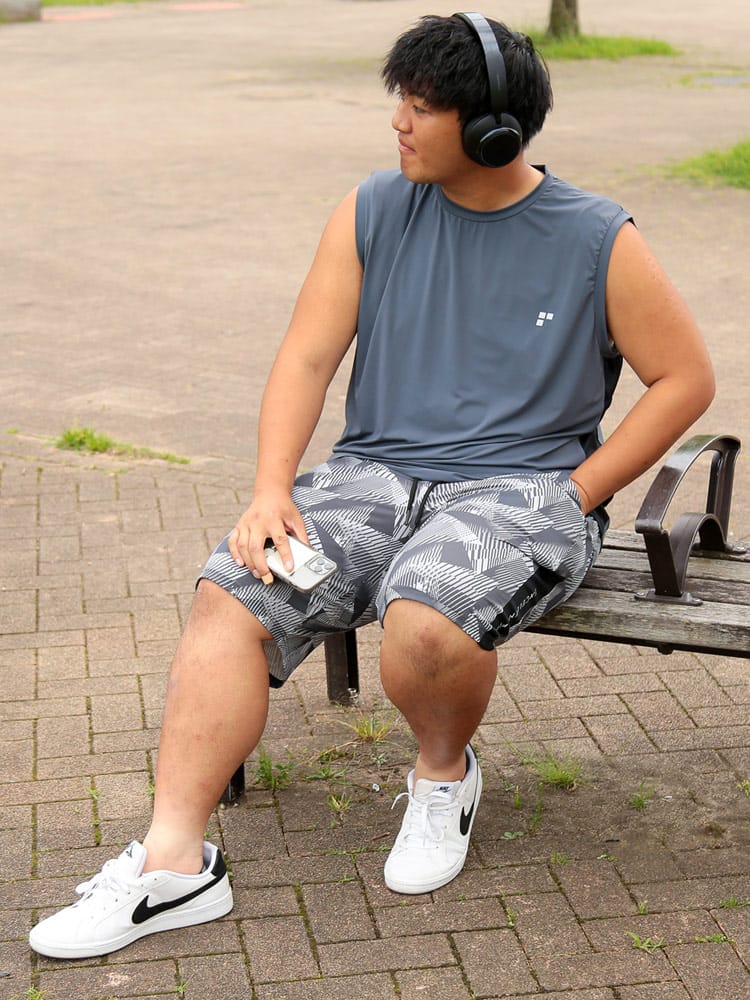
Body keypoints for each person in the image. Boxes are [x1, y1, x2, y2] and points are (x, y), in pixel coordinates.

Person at [29, 12, 714, 959]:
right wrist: (270, 489)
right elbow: (307, 357)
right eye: (401, 101)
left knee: (425, 615)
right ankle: (172, 864)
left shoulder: (597, 235)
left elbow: (686, 378)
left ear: (492, 130)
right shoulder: (373, 209)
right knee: (230, 595)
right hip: (371, 478)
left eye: (422, 107)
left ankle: (442, 776)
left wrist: (578, 491)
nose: (398, 122)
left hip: (518, 490)